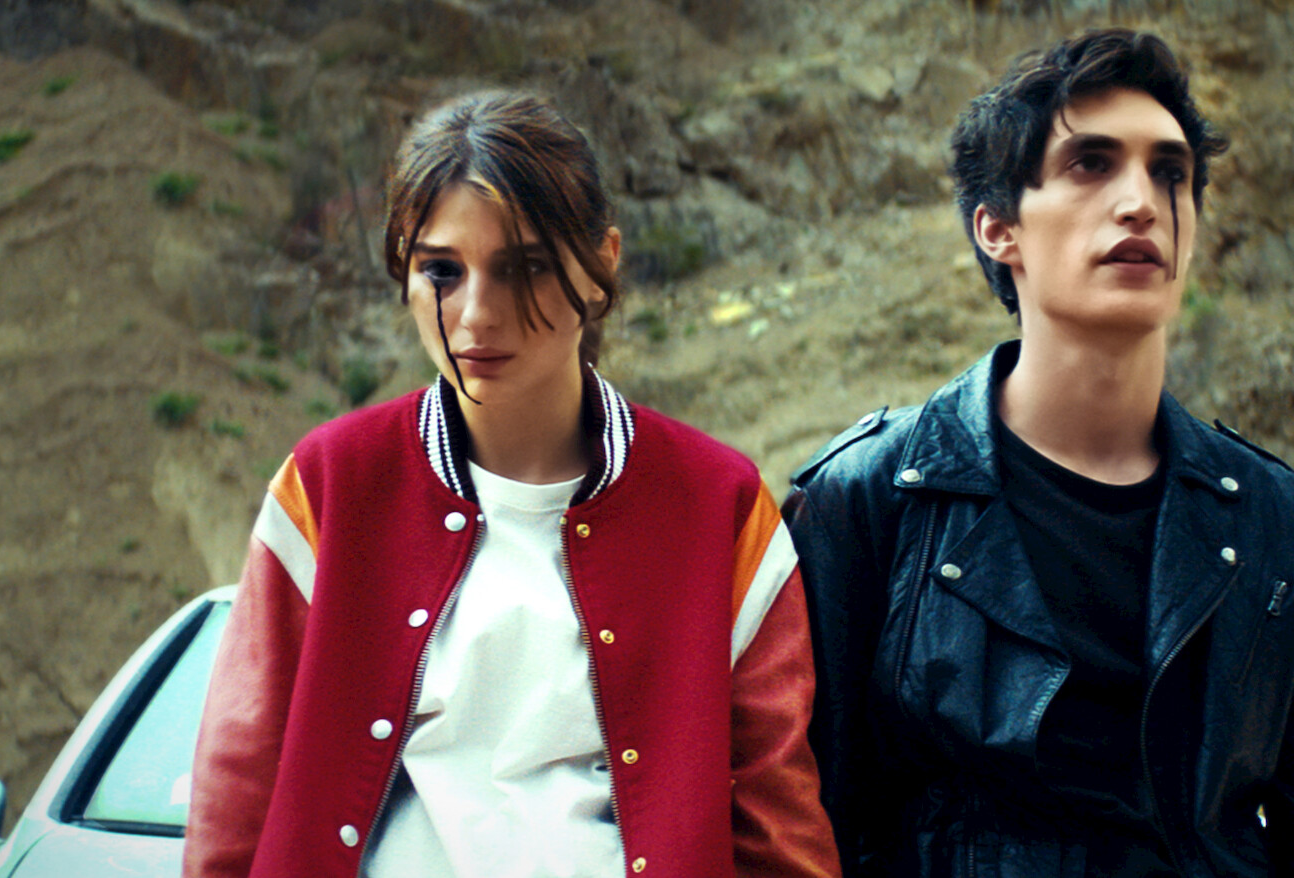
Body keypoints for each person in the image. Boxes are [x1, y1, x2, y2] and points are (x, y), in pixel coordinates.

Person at [184, 91, 839, 878]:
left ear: (600, 267)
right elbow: (237, 798)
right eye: (441, 271)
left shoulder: (717, 505)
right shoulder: (329, 486)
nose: (476, 314)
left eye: (524, 267)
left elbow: (777, 822)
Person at [784, 28, 1294, 877]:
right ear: (998, 229)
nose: (1140, 202)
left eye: (1170, 173)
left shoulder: (1273, 516)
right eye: (1092, 164)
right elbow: (804, 824)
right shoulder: (871, 496)